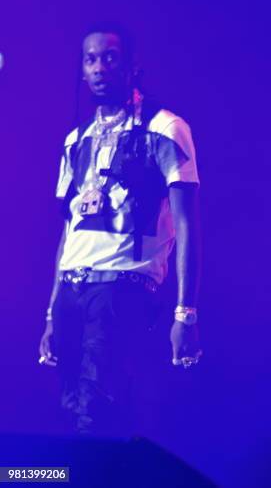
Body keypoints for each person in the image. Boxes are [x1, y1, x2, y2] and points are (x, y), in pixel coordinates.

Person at [38, 23, 202, 436]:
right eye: (90, 59)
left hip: (121, 290)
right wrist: (51, 313)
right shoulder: (76, 141)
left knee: (98, 415)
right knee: (68, 412)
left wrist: (185, 312)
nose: (98, 67)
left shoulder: (164, 128)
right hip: (72, 291)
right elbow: (68, 234)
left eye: (109, 57)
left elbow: (187, 225)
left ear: (131, 67)